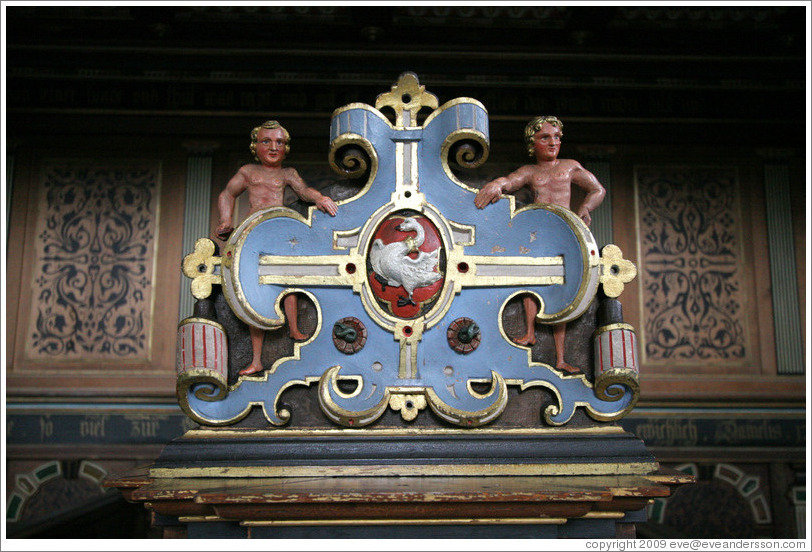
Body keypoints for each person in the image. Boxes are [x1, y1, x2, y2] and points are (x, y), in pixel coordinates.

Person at [474, 116, 605, 373]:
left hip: (565, 231)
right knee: (529, 279)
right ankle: (530, 333)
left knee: (563, 291)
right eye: (545, 137)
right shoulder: (530, 172)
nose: (553, 142)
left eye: (556, 137)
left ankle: (560, 358)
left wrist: (586, 208)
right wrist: (497, 184)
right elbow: (510, 181)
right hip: (538, 232)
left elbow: (597, 189)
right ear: (532, 144)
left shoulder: (569, 167)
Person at [216, 120, 338, 376]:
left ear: (286, 147)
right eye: (266, 142)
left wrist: (320, 198)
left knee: (287, 279)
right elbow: (227, 194)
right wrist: (226, 220)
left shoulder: (287, 174)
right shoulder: (248, 172)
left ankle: (293, 328)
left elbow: (304, 191)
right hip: (252, 235)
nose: (273, 147)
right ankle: (257, 359)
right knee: (254, 293)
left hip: (278, 232)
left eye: (279, 142)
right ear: (255, 146)